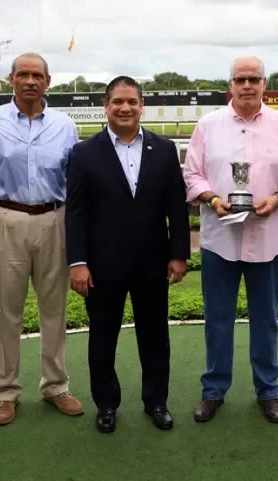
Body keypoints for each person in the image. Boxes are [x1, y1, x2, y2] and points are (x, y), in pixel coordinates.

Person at [183, 56, 278, 424]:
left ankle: (267, 391)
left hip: (266, 238)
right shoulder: (208, 125)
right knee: (217, 318)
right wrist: (213, 199)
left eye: (254, 79)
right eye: (241, 79)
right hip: (220, 238)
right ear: (231, 85)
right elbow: (192, 175)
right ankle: (214, 390)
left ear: (265, 83)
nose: (248, 85)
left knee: (266, 319)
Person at [65, 76, 191, 433]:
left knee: (154, 336)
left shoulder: (164, 149)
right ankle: (106, 403)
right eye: (118, 101)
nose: (125, 108)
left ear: (141, 107)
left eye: (132, 102)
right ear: (106, 106)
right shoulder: (84, 153)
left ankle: (156, 401)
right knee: (103, 337)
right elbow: (75, 213)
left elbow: (176, 208)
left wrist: (179, 253)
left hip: (152, 263)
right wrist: (78, 262)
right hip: (102, 266)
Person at [0, 52, 84, 426]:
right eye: (24, 74)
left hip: (54, 219)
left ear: (48, 82)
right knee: (7, 312)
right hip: (4, 219)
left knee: (54, 309)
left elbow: (75, 182)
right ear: (11, 79)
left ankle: (55, 385)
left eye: (38, 75)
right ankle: (6, 390)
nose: (31, 81)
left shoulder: (65, 126)